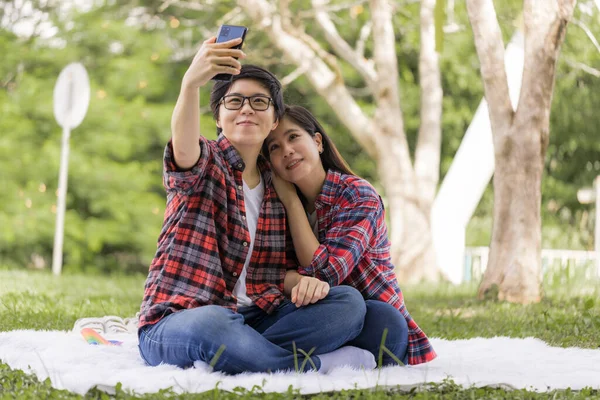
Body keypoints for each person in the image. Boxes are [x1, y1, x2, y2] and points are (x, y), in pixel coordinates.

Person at [137, 37, 376, 375]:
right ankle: (317, 366)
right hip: (179, 321)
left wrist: (305, 284)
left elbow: (281, 276)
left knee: (348, 304)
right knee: (214, 323)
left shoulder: (278, 185)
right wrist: (190, 84)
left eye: (259, 101)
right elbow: (185, 147)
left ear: (275, 119)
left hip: (257, 321)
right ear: (218, 117)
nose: (246, 108)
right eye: (234, 101)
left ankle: (244, 355)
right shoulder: (204, 162)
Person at [263, 105, 437, 366]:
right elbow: (269, 273)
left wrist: (292, 203)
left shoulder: (357, 194)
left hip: (368, 320)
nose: (286, 150)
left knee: (380, 318)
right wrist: (291, 279)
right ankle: (329, 362)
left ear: (318, 141)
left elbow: (327, 273)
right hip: (316, 317)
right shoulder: (271, 205)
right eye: (274, 147)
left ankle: (260, 352)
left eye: (293, 137)